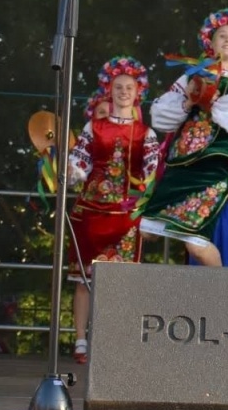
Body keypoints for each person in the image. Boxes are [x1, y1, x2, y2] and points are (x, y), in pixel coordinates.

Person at [137, 9, 228, 266]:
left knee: (195, 243)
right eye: (222, 35)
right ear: (210, 41)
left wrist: (212, 99)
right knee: (146, 229)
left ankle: (222, 289)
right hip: (182, 163)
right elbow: (160, 115)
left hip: (215, 165)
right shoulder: (190, 77)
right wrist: (190, 100)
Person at [66, 56, 159, 363]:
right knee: (85, 280)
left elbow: (152, 173)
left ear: (138, 92)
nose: (123, 92)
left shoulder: (146, 133)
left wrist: (149, 207)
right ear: (109, 90)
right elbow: (80, 162)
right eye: (118, 87)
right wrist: (70, 171)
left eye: (129, 87)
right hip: (91, 212)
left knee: (121, 281)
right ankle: (81, 341)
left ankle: (112, 341)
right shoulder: (93, 127)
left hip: (127, 217)